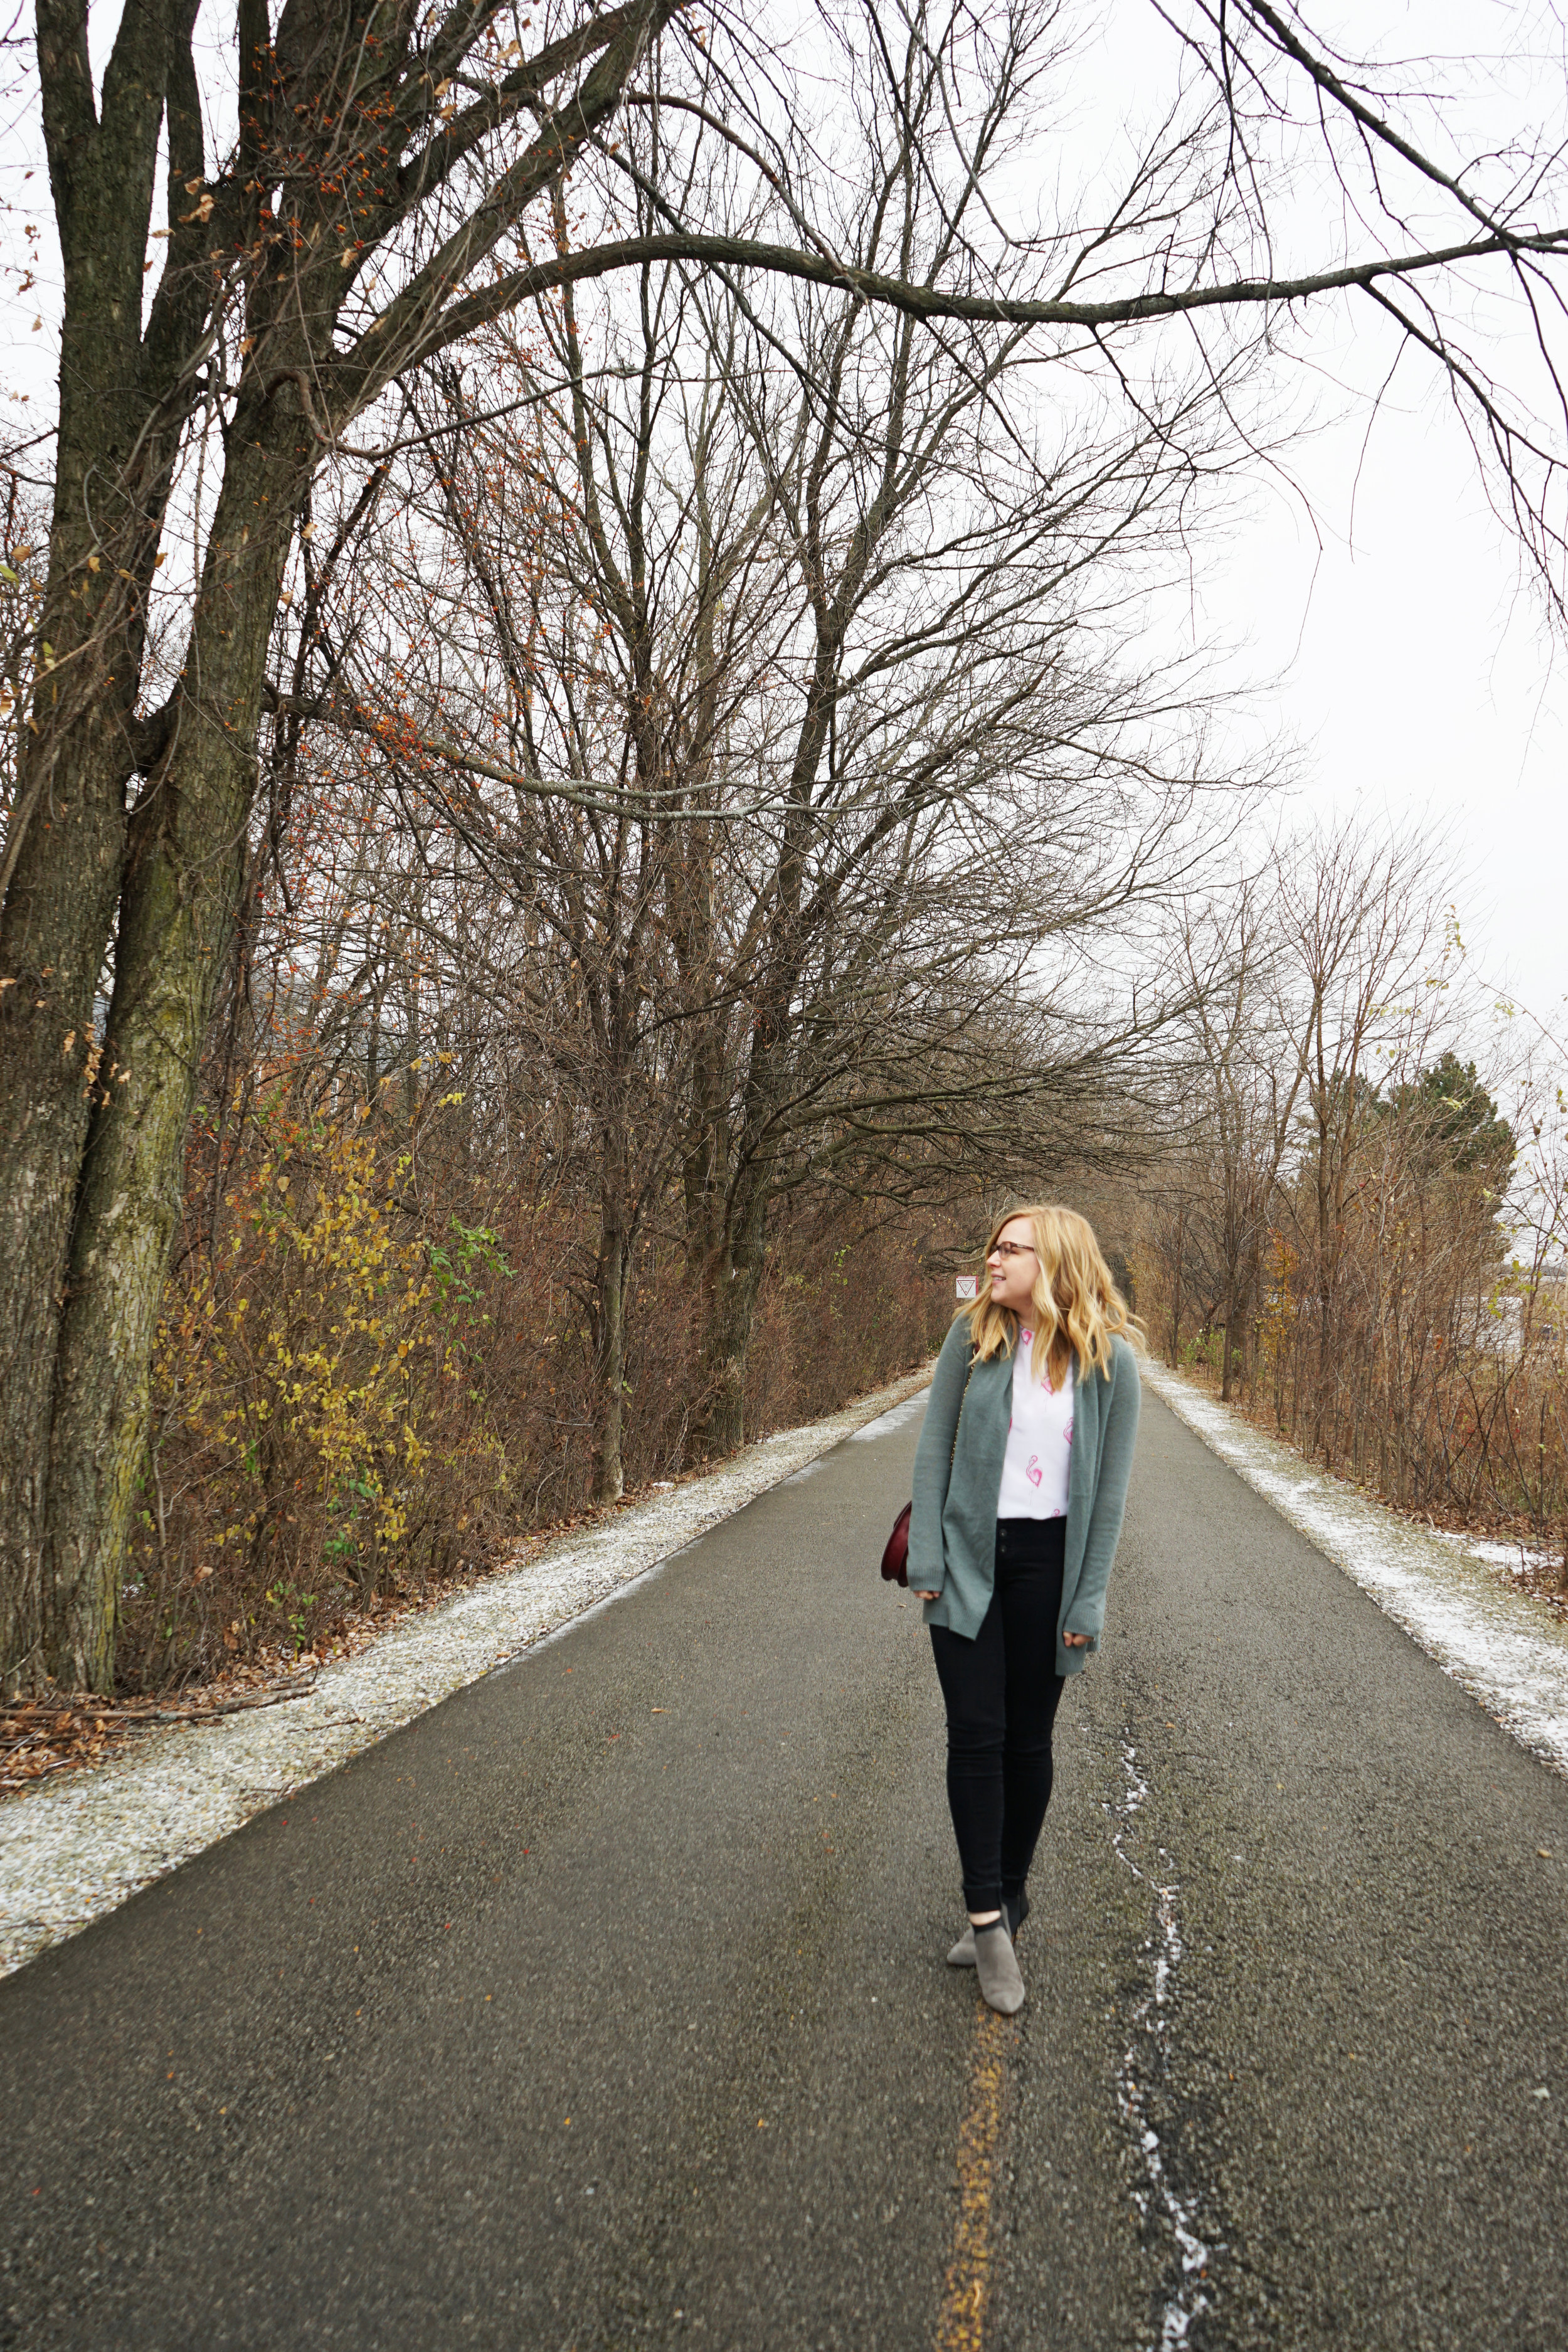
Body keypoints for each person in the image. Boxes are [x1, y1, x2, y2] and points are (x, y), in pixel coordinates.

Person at [908, 1202, 1142, 2015]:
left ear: (1058, 1261)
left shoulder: (1109, 1363)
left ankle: (1009, 1894)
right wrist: (929, 1558)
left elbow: (1108, 1495)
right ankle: (988, 1922)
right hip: (968, 1559)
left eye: (1013, 1248)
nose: (995, 1258)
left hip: (1052, 1566)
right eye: (994, 1246)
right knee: (975, 1732)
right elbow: (933, 1445)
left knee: (1026, 1740)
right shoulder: (971, 1341)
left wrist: (1089, 1596)